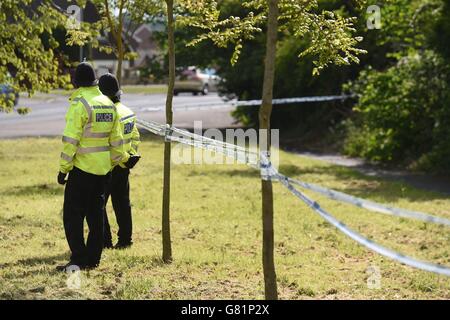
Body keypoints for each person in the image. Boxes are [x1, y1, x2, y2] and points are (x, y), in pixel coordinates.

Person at [56, 62, 138, 271]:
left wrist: (63, 169)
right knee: (95, 215)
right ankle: (93, 259)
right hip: (104, 171)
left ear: (76, 82)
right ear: (94, 81)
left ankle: (78, 258)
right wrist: (122, 160)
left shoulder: (80, 104)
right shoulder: (108, 104)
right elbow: (117, 140)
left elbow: (71, 140)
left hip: (82, 170)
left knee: (73, 216)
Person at [98, 73, 141, 249]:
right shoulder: (128, 112)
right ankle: (125, 241)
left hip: (107, 166)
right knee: (123, 204)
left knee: (99, 206)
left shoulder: (107, 114)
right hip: (124, 166)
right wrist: (130, 156)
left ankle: (105, 241)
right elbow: (135, 137)